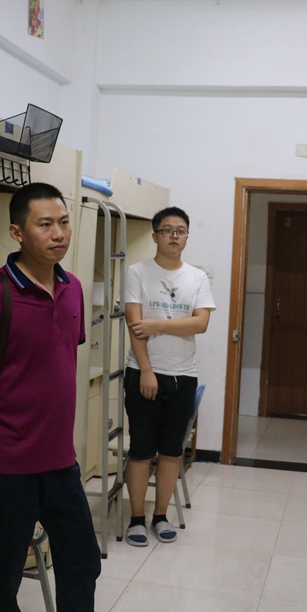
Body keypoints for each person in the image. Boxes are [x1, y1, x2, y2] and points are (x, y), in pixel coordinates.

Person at [0, 182, 100, 611]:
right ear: (17, 232)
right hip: (7, 466)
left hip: (61, 464)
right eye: (45, 224)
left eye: (64, 223)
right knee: (1, 583)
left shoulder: (73, 288)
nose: (59, 234)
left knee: (83, 563)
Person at [123, 206, 215, 546]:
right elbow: (135, 325)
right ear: (155, 236)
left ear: (187, 237)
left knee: (171, 452)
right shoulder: (137, 272)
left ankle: (160, 516)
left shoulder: (197, 277)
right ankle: (136, 519)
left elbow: (201, 323)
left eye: (180, 230)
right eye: (167, 230)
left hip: (183, 376)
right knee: (140, 450)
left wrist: (157, 324)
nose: (174, 235)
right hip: (143, 373)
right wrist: (147, 370)